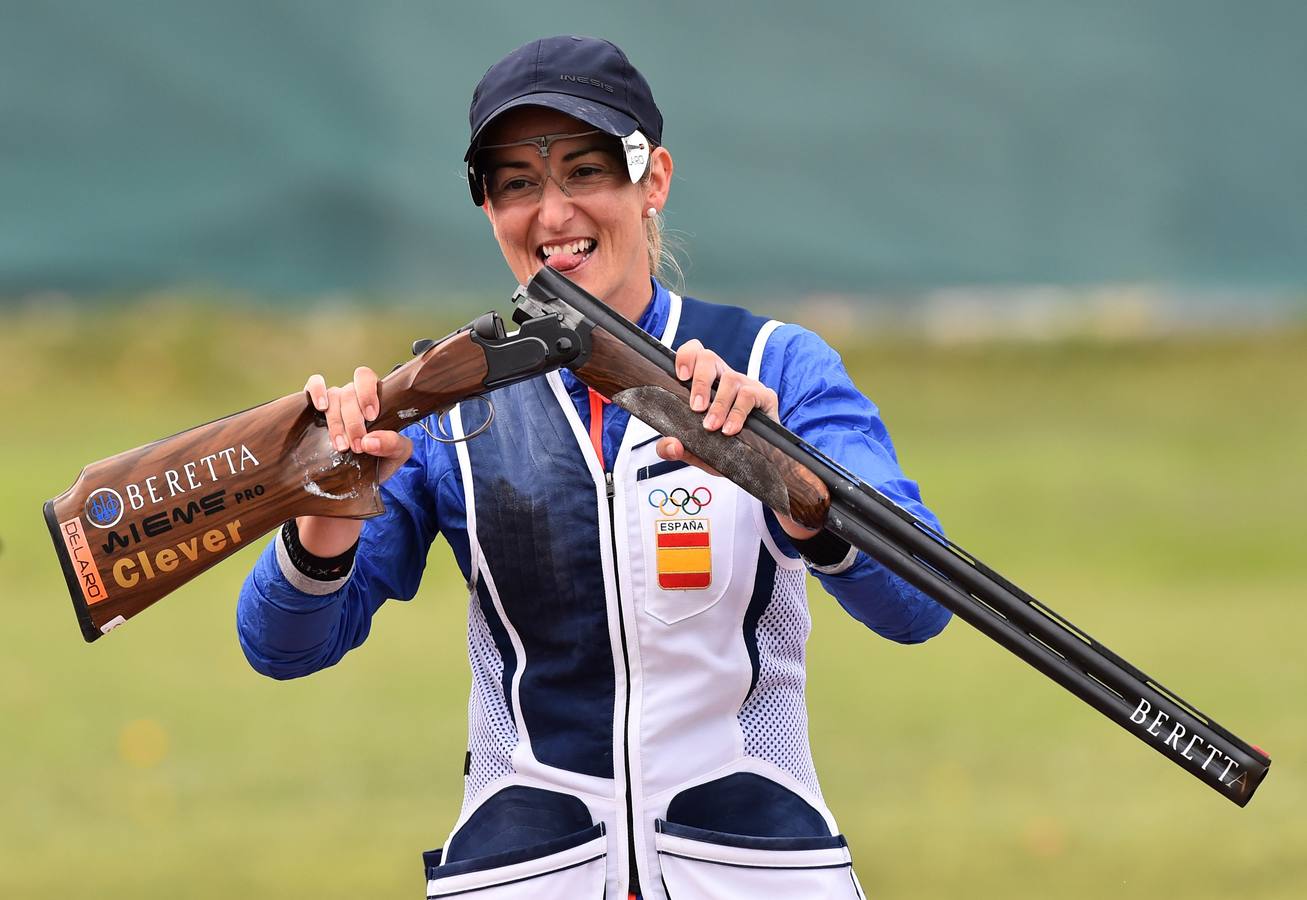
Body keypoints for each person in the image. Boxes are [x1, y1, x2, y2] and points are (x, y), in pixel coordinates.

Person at [237, 35, 951, 900]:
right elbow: (280, 649)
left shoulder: (776, 365)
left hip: (755, 869)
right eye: (517, 184)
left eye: (585, 172)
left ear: (652, 182)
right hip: (525, 867)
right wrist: (326, 512)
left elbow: (917, 606)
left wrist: (793, 489)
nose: (552, 213)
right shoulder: (443, 405)